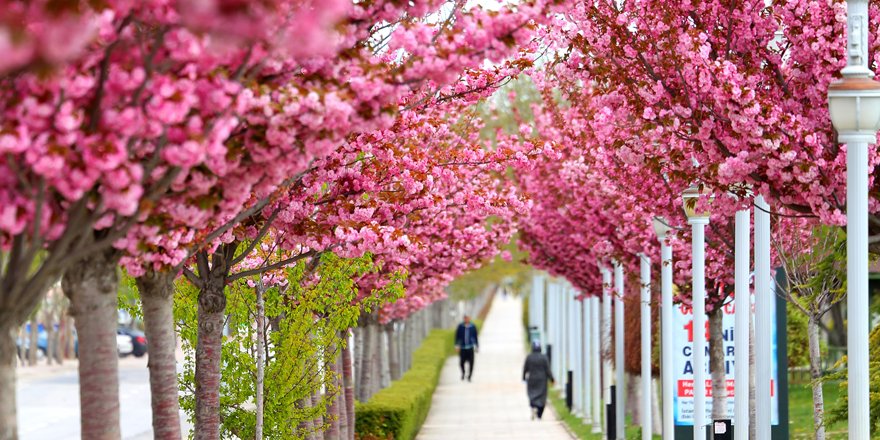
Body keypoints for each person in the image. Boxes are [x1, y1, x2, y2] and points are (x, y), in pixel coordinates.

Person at [523, 340, 554, 420]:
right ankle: (539, 414)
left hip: (532, 379)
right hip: (542, 380)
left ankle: (533, 407)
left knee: (532, 394)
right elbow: (548, 370)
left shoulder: (529, 357)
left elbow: (525, 368)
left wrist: (523, 378)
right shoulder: (544, 357)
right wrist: (552, 379)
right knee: (542, 396)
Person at [454, 315, 479, 381]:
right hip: (463, 347)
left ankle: (469, 376)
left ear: (469, 319)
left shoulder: (473, 326)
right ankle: (463, 373)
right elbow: (457, 336)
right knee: (461, 363)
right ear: (464, 319)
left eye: (468, 318)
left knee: (471, 363)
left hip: (470, 347)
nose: (466, 319)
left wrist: (476, 346)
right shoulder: (460, 326)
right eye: (465, 318)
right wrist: (456, 345)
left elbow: (475, 336)